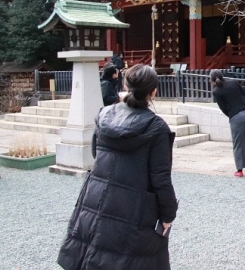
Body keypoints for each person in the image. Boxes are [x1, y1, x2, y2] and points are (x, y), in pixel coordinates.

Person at [58, 64, 178, 270]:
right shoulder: (156, 127)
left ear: (124, 84)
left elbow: (97, 152)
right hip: (134, 204)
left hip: (96, 194)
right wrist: (168, 215)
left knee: (94, 250)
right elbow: (161, 178)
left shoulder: (104, 114)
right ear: (153, 92)